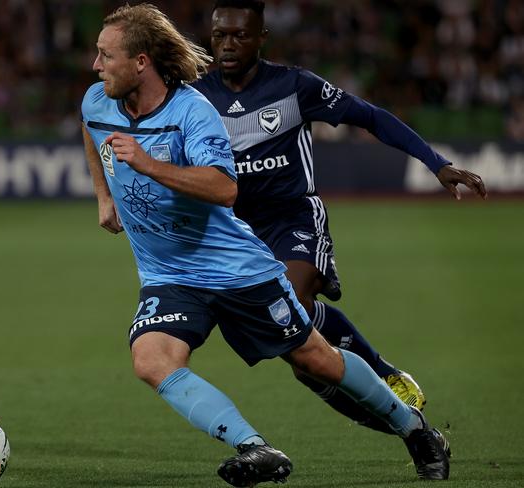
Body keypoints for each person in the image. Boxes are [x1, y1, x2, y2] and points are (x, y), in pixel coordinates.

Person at [81, 3, 450, 486]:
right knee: (151, 360)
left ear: (142, 62)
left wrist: (149, 165)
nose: (95, 65)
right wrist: (103, 196)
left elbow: (223, 188)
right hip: (169, 274)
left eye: (106, 55)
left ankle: (416, 429)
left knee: (313, 358)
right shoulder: (98, 100)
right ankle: (255, 448)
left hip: (236, 269)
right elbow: (91, 129)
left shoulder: (194, 112)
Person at [192, 0, 487, 434]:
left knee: (290, 301)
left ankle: (384, 374)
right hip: (236, 232)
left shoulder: (295, 86)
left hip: (293, 217)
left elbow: (370, 117)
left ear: (261, 38)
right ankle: (405, 426)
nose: (228, 44)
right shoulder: (195, 97)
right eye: (220, 35)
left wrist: (436, 162)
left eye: (240, 35)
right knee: (299, 351)